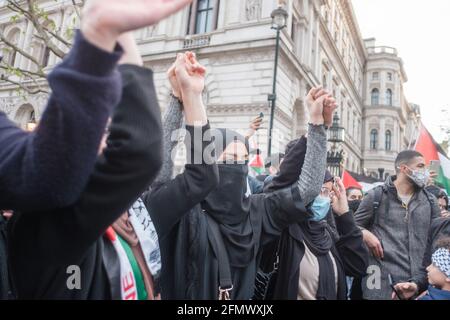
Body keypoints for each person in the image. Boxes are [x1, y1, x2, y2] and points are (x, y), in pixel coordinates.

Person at [6, 0, 196, 299]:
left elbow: (158, 161)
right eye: (102, 130)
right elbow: (139, 152)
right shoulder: (55, 221)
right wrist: (107, 33)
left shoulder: (139, 211)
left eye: (112, 130)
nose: (108, 139)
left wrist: (183, 98)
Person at [355, 150, 441, 300]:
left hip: (418, 288)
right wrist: (364, 233)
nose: (425, 171)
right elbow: (351, 228)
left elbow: (438, 243)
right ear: (404, 168)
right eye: (420, 166)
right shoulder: (376, 196)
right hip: (379, 288)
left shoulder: (430, 201)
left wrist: (421, 282)